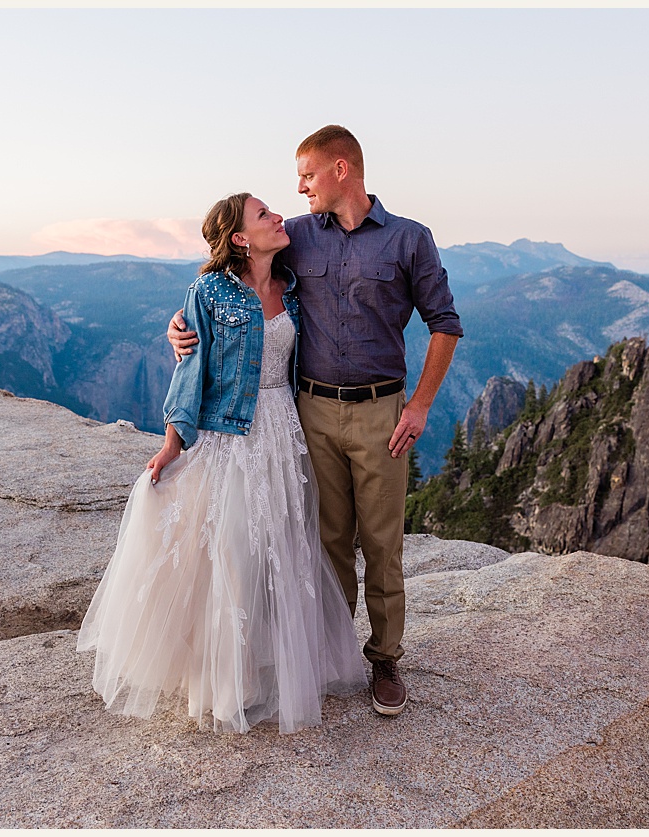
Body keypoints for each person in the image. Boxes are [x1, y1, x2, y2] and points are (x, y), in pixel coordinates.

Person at [167, 125, 463, 716]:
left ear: (341, 170)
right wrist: (179, 324)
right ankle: (327, 658)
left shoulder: (409, 240)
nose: (299, 188)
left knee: (380, 544)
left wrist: (421, 404)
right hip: (308, 413)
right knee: (321, 542)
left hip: (384, 413)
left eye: (307, 175)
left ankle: (384, 660)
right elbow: (232, 279)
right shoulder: (296, 236)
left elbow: (445, 324)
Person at [77, 193, 367, 734]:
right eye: (263, 215)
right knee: (234, 548)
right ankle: (231, 685)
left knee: (280, 550)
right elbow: (191, 366)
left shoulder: (294, 283)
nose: (278, 217)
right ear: (239, 237)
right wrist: (171, 441)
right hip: (231, 433)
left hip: (285, 428)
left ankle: (271, 667)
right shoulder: (209, 291)